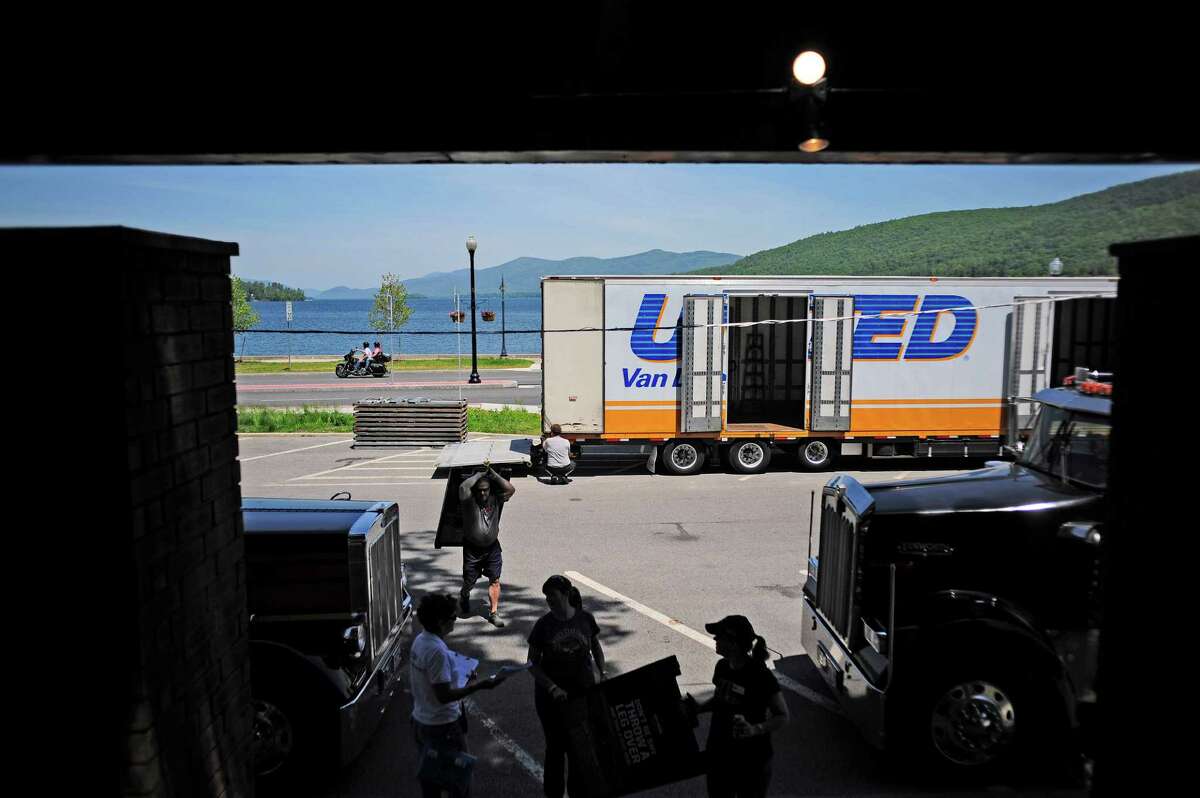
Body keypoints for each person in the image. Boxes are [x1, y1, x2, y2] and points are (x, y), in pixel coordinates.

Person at [410, 592, 509, 798]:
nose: (455, 620)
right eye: (453, 617)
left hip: (422, 720)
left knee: (431, 779)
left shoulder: (421, 640)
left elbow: (431, 679)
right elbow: (444, 695)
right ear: (440, 621)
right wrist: (481, 685)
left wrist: (461, 674)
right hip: (443, 725)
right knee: (459, 781)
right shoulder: (436, 650)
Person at [687, 615, 788, 798]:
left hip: (751, 761)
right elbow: (721, 699)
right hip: (719, 755)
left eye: (719, 637)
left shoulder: (760, 676)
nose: (715, 640)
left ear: (734, 643)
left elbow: (782, 715)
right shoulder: (722, 667)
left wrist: (755, 729)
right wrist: (699, 708)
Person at [527, 574, 606, 798]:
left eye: (552, 595)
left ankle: (576, 792)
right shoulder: (544, 626)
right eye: (546, 597)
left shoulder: (584, 619)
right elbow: (532, 663)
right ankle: (553, 793)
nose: (548, 600)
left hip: (580, 693)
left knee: (577, 747)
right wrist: (552, 687)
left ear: (565, 595)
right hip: (552, 699)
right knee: (555, 748)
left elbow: (596, 649)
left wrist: (602, 672)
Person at [458, 461, 516, 627]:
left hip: (492, 548)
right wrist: (478, 474)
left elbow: (510, 489)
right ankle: (464, 595)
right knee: (469, 581)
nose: (483, 493)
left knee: (495, 580)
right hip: (472, 550)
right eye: (480, 490)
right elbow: (463, 488)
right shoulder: (469, 501)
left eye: (486, 489)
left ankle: (493, 612)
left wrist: (492, 474)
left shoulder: (496, 499)